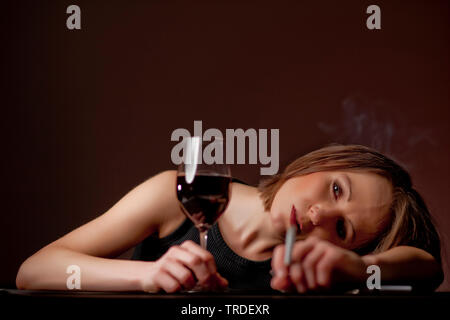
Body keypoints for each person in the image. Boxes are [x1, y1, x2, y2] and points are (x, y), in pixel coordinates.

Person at [16, 144, 443, 292]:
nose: (317, 215)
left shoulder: (311, 278)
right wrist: (146, 276)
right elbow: (33, 271)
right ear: (321, 162)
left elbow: (427, 268)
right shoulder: (177, 195)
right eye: (336, 189)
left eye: (342, 229)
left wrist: (361, 270)